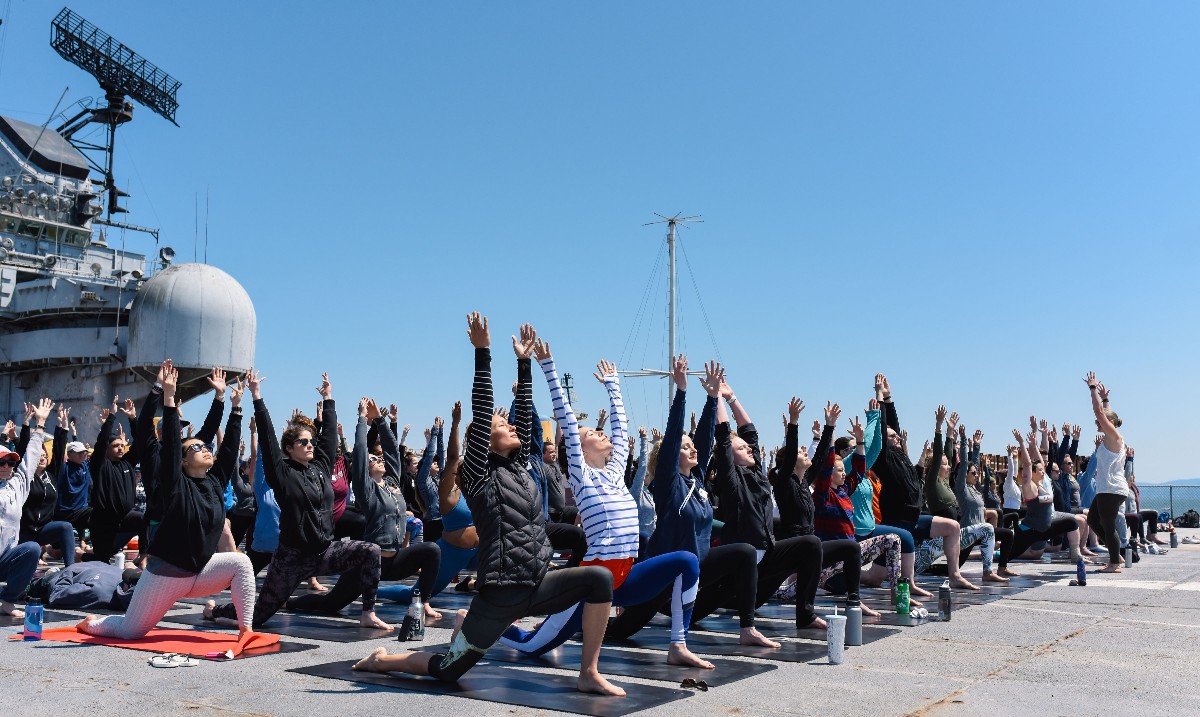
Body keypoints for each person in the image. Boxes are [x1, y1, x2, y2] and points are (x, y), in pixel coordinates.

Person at [353, 316, 624, 696]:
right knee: (449, 671)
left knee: (599, 579)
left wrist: (525, 364)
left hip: (539, 581)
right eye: (503, 425)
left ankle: (588, 672)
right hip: (501, 594)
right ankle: (382, 660)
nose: (511, 426)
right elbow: (483, 413)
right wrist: (483, 353)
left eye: (511, 424)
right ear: (484, 440)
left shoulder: (522, 467)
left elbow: (525, 414)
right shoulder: (479, 474)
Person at [498, 347, 709, 668]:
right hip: (589, 585)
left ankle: (678, 645)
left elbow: (621, 427)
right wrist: (548, 367)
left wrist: (613, 385)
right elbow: (566, 420)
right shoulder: (582, 478)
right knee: (530, 647)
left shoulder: (614, 472)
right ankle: (478, 624)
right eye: (592, 434)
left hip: (625, 579)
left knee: (687, 562)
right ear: (578, 449)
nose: (601, 432)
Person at [606, 357, 778, 647]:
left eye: (692, 445)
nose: (693, 448)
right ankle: (584, 617)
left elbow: (706, 434)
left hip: (696, 569)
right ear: (672, 457)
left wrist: (713, 399)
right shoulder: (668, 484)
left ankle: (747, 628)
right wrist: (682, 392)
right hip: (667, 572)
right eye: (685, 448)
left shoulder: (695, 481)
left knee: (744, 553)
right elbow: (674, 435)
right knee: (615, 633)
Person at [78, 362, 254, 639]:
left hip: (199, 570)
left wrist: (228, 403)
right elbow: (168, 442)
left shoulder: (213, 478)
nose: (202, 447)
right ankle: (93, 622)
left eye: (204, 446)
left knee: (241, 562)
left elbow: (226, 447)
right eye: (194, 447)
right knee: (130, 631)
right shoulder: (167, 465)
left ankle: (246, 631)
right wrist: (164, 396)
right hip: (167, 573)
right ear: (183, 459)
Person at [206, 371, 391, 630]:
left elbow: (329, 436)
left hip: (324, 551)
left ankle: (368, 612)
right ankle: (215, 611)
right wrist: (257, 398)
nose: (309, 445)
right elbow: (269, 439)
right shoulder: (282, 473)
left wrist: (329, 399)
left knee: (370, 551)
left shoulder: (321, 467)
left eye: (310, 441)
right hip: (291, 558)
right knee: (258, 616)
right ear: (290, 448)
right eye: (302, 442)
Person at [286, 398, 442, 619]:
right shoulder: (366, 489)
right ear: (364, 468)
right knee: (331, 604)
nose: (379, 459)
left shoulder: (393, 484)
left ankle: (422, 602)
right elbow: (360, 451)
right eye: (373, 459)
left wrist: (380, 420)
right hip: (368, 563)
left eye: (379, 458)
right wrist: (361, 420)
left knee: (431, 550)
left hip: (394, 561)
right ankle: (291, 604)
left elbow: (391, 450)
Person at [872, 375, 972, 594]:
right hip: (897, 523)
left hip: (915, 520)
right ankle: (831, 578)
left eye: (897, 436)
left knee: (952, 527)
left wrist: (889, 397)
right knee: (874, 577)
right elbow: (882, 428)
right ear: (883, 442)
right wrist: (879, 395)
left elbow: (892, 425)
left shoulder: (899, 454)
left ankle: (954, 575)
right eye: (892, 437)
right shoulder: (883, 456)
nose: (897, 438)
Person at [378, 401, 480, 606]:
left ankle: (471, 584)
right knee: (414, 594)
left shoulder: (477, 491)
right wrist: (455, 423)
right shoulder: (447, 491)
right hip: (451, 555)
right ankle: (373, 589)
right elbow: (451, 457)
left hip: (477, 554)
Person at [0, 398, 54, 616]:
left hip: (5, 559)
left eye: (10, 462)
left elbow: (30, 459)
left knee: (32, 548)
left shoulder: (17, 486)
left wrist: (40, 424)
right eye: (1, 462)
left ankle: (7, 601)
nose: (6, 466)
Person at [87, 397, 146, 562]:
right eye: (115, 445)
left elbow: (140, 443)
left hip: (124, 519)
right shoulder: (100, 465)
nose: (120, 448)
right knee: (101, 560)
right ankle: (83, 556)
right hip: (103, 524)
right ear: (107, 449)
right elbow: (100, 443)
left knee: (143, 518)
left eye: (122, 445)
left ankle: (143, 555)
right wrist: (111, 418)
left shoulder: (127, 462)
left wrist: (133, 419)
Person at [18, 403, 76, 567]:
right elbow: (24, 449)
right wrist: (26, 425)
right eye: (39, 455)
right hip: (24, 531)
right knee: (27, 563)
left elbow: (58, 451)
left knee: (65, 527)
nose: (42, 458)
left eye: (45, 455)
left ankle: (69, 568)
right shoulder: (25, 476)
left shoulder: (51, 476)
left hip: (43, 529)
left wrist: (62, 428)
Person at [1082, 374, 1129, 573]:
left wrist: (1093, 390)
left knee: (1108, 525)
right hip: (1106, 488)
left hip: (1112, 488)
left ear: (1110, 422)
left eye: (1101, 421)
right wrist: (1106, 398)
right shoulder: (1112, 436)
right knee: (1093, 520)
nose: (1097, 422)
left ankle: (1115, 563)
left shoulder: (1114, 436)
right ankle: (1114, 554)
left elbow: (1100, 412)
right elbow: (1105, 412)